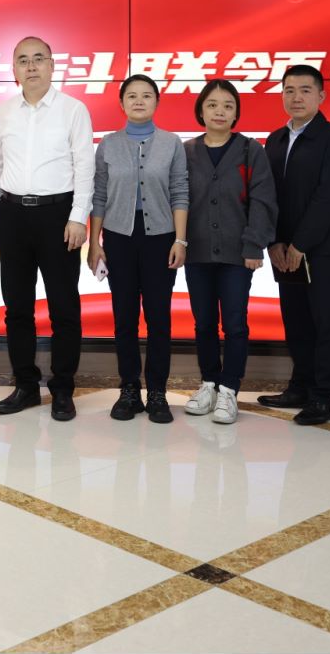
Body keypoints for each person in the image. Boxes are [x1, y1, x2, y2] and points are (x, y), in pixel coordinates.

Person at [0, 35, 94, 421]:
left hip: (58, 215)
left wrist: (78, 217)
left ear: (52, 65)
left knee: (64, 307)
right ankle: (26, 385)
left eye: (38, 59)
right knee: (17, 307)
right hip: (13, 214)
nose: (30, 66)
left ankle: (63, 388)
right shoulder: (3, 113)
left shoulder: (73, 110)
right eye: (23, 60)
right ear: (14, 69)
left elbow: (85, 166)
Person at [87, 74, 188, 424]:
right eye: (132, 96)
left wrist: (180, 239)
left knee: (159, 318)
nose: (139, 101)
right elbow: (99, 195)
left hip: (161, 238)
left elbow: (180, 192)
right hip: (119, 238)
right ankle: (129, 389)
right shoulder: (108, 144)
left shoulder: (172, 143)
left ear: (157, 102)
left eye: (147, 95)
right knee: (124, 317)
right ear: (122, 103)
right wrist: (94, 243)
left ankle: (157, 391)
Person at [258, 64, 330, 426]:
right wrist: (274, 242)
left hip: (322, 249)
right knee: (296, 321)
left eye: (305, 90)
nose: (296, 97)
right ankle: (300, 386)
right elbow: (268, 196)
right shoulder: (275, 139)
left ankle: (324, 397)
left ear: (321, 96)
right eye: (289, 90)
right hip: (284, 251)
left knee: (325, 322)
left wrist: (300, 244)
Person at [182, 79, 277, 425]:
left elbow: (263, 200)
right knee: (203, 323)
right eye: (212, 105)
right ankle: (209, 383)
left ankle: (229, 389)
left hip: (238, 255)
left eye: (227, 105)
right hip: (197, 253)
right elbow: (177, 199)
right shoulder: (186, 151)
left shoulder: (251, 150)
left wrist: (254, 245)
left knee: (235, 324)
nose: (220, 111)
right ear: (201, 111)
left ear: (236, 113)